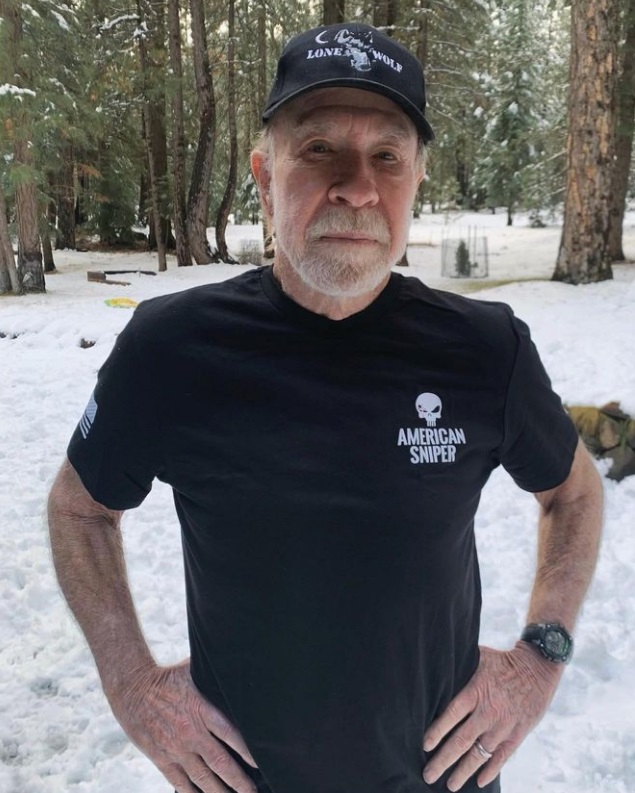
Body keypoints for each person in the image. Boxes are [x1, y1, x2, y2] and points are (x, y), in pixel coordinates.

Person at [47, 21, 603, 793]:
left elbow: (572, 492)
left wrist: (540, 658)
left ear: (415, 179)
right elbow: (79, 509)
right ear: (263, 173)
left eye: (387, 157)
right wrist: (131, 682)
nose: (356, 186)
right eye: (318, 149)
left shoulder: (484, 349)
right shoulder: (172, 347)